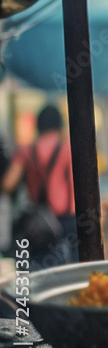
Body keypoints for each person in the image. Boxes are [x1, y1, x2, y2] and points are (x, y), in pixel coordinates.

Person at [1, 104, 76, 268]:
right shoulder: (70, 148)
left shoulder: (25, 151)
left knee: (41, 276)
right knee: (71, 275)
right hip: (69, 222)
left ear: (38, 126)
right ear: (60, 125)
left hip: (39, 225)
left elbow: (7, 184)